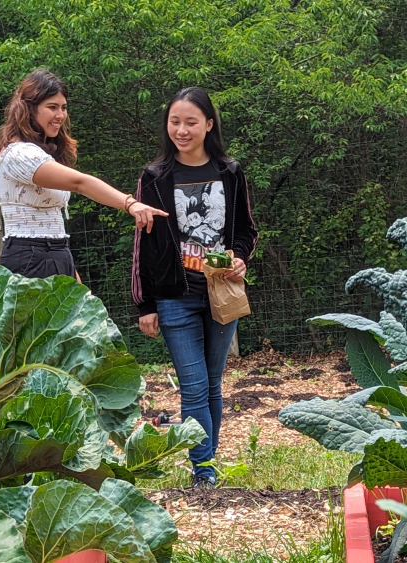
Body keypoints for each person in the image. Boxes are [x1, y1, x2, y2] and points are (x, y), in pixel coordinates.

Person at [132, 87, 258, 489]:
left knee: (212, 382)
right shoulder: (154, 178)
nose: (181, 130)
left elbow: (245, 231)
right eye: (174, 122)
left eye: (190, 122)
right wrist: (144, 303)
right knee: (193, 385)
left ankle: (208, 460)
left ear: (208, 124)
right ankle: (202, 470)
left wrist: (239, 257)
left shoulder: (230, 172)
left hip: (222, 293)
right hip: (174, 296)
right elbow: (144, 246)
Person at [0, 68, 167, 279]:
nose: (60, 115)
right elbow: (80, 183)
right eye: (52, 107)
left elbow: (50, 226)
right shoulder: (20, 154)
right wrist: (131, 204)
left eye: (64, 108)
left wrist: (72, 273)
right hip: (32, 258)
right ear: (29, 109)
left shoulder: (36, 153)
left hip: (52, 254)